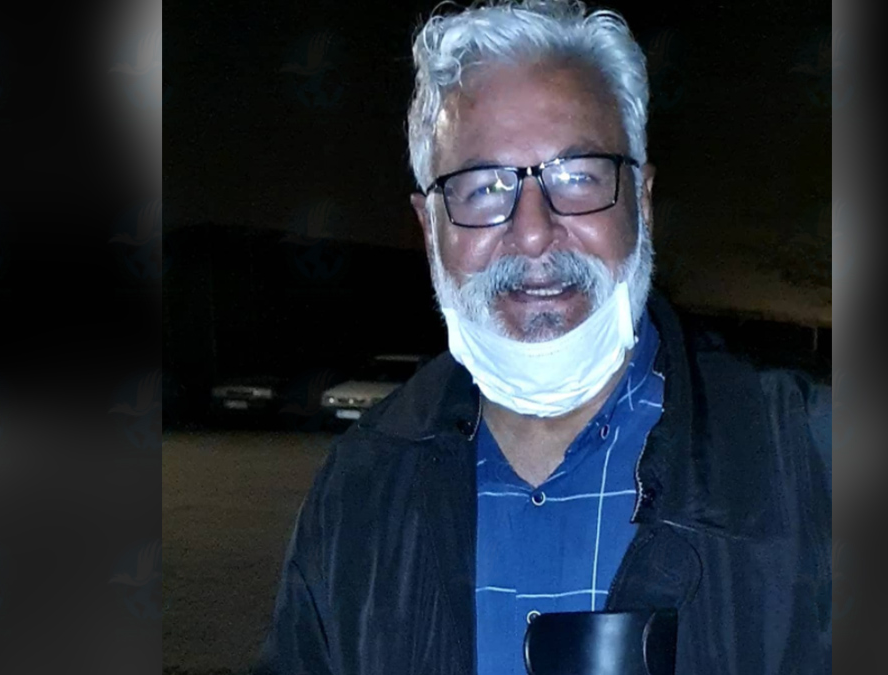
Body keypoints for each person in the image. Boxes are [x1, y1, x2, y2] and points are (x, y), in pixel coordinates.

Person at [257, 1, 831, 673]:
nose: (532, 233)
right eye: (482, 188)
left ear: (642, 203)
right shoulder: (360, 487)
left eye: (577, 177)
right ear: (429, 228)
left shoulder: (809, 461)